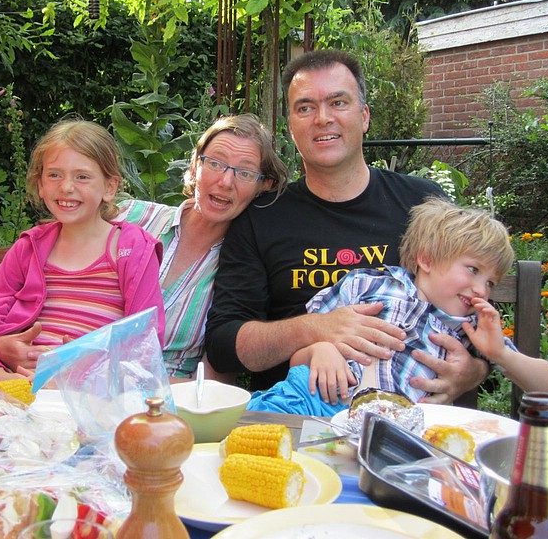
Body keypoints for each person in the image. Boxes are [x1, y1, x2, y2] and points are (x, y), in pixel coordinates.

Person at [205, 49, 490, 402]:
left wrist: (472, 371)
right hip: (302, 420)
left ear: (364, 116)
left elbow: (478, 309)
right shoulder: (262, 217)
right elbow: (223, 344)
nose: (322, 118)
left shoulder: (422, 203)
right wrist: (316, 327)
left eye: (338, 102)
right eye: (305, 107)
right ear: (291, 126)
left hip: (420, 423)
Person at [0, 114, 290, 380]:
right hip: (52, 379)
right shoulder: (130, 216)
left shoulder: (243, 272)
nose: (225, 181)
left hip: (159, 402)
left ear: (264, 185)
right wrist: (1, 343)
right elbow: (50, 285)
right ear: (195, 164)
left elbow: (213, 385)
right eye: (214, 163)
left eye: (245, 172)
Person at [247, 198, 548, 415]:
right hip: (311, 403)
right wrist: (320, 349)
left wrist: (500, 353)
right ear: (425, 259)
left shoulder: (469, 329)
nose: (481, 289)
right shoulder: (368, 285)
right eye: (473, 270)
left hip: (397, 434)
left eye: (491, 282)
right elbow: (300, 355)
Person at [0, 119, 166, 384]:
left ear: (110, 188)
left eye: (82, 176)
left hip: (92, 400)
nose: (66, 187)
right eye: (54, 175)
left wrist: (80, 372)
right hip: (15, 393)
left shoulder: (132, 250)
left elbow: (145, 347)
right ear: (40, 184)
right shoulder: (28, 250)